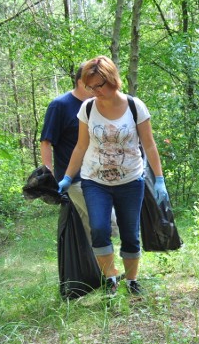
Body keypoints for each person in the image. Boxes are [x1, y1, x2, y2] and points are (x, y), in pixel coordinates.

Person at [59, 55, 167, 296]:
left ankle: (131, 281)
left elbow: (149, 146)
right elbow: (80, 146)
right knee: (98, 228)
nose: (95, 91)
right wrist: (67, 177)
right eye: (90, 86)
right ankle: (110, 279)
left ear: (112, 80)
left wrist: (159, 179)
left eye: (100, 85)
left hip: (130, 181)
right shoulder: (87, 108)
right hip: (94, 180)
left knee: (130, 233)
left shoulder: (134, 106)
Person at [40, 63, 117, 242]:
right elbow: (46, 141)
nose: (97, 88)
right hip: (75, 178)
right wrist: (48, 172)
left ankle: (96, 269)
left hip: (100, 175)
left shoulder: (97, 105)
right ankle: (109, 267)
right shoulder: (59, 105)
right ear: (82, 82)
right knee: (110, 220)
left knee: (89, 228)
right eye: (93, 83)